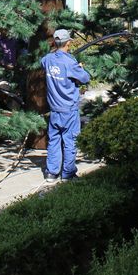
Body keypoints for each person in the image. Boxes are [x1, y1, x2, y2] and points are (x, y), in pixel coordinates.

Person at [42, 28, 90, 182]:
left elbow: (43, 62)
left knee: (54, 139)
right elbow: (84, 78)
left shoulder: (48, 59)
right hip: (69, 110)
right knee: (70, 141)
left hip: (54, 109)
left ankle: (51, 172)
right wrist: (80, 68)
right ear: (68, 42)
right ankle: (68, 174)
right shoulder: (70, 62)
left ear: (55, 42)